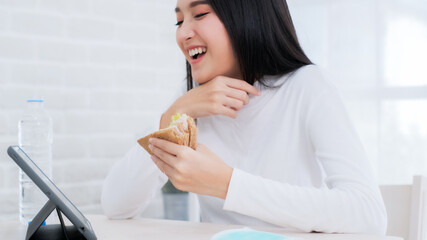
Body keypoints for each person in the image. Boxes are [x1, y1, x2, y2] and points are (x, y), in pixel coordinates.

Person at [101, 0, 387, 234]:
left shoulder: (307, 86)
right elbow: (116, 205)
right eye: (179, 21)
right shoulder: (193, 99)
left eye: (199, 14)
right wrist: (172, 115)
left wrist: (227, 184)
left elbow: (368, 213)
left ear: (248, 14)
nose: (182, 33)